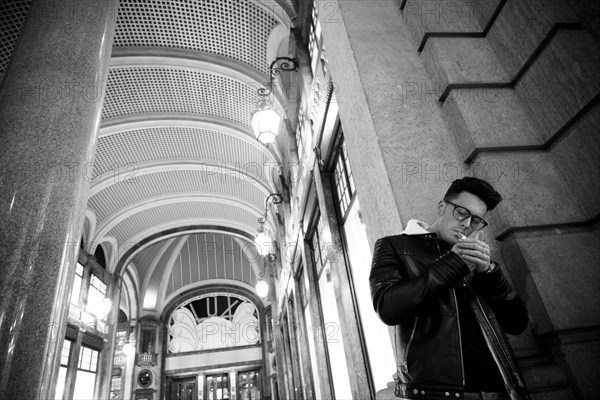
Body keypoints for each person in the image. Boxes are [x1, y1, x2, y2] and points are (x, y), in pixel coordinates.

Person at [369, 177, 530, 400]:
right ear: (442, 207)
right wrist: (455, 263)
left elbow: (517, 324)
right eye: (462, 213)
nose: (467, 224)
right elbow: (387, 307)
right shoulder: (394, 245)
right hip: (437, 393)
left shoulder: (475, 258)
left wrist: (489, 272)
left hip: (501, 390)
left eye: (476, 221)